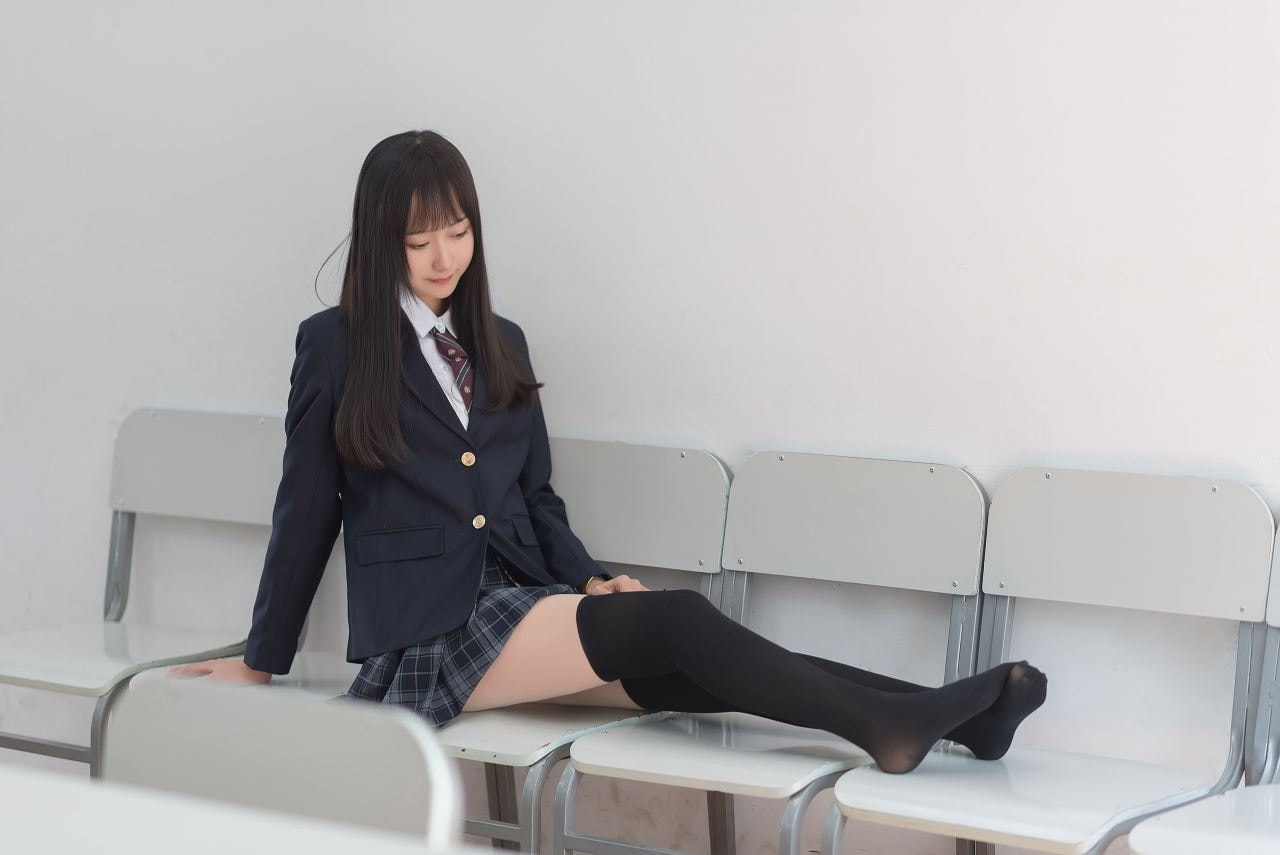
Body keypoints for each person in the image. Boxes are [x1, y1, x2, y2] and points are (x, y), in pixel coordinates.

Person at [172, 130, 1046, 774]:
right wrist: (261, 658)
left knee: (690, 669)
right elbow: (305, 507)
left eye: (459, 230)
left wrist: (588, 579)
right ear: (381, 239)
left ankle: (952, 720)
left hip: (520, 599)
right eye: (418, 238)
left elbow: (535, 498)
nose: (444, 256)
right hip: (429, 631)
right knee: (678, 620)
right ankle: (892, 726)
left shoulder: (501, 341)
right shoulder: (335, 345)